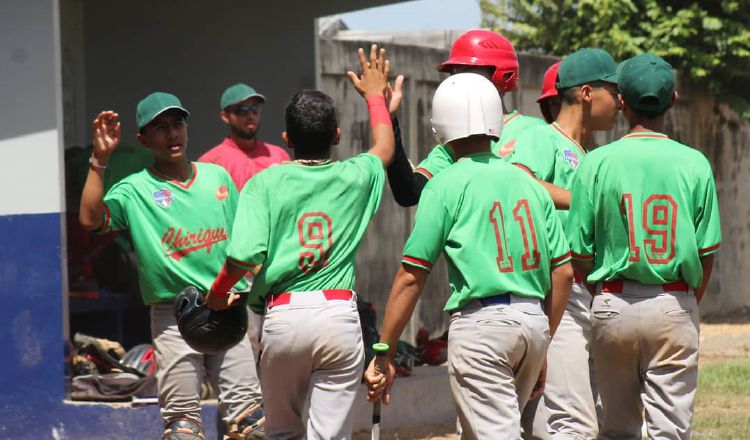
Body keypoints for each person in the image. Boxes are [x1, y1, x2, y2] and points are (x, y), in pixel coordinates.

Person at [205, 45, 400, 439]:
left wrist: (216, 294)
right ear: (338, 136)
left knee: (281, 432)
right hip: (338, 316)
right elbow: (385, 148)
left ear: (286, 138)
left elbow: (243, 256)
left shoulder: (265, 181)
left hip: (284, 317)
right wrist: (376, 97)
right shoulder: (354, 175)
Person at [364, 72, 573, 439]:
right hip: (533, 322)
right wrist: (544, 340)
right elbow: (563, 272)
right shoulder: (529, 183)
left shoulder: (444, 184)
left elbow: (412, 275)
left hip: (482, 328)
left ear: (440, 126)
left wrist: (385, 349)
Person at [78, 92, 264, 440]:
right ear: (143, 139)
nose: (172, 134)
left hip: (229, 304)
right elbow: (90, 219)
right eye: (160, 128)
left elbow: (246, 242)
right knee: (182, 428)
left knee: (252, 421)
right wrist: (99, 160)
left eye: (177, 124)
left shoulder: (217, 178)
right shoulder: (135, 189)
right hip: (173, 313)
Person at [567, 53, 721, 440]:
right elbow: (706, 253)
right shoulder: (695, 163)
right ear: (673, 100)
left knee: (617, 429)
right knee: (668, 431)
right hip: (673, 301)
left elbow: (580, 253)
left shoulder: (596, 162)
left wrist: (601, 294)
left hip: (611, 304)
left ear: (621, 102)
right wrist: (684, 299)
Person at [510, 48, 620, 440]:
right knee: (574, 422)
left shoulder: (589, 153)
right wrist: (582, 201)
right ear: (588, 93)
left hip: (585, 292)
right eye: (614, 90)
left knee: (563, 418)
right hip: (553, 292)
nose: (620, 101)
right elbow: (518, 183)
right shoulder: (544, 138)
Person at [387, 29, 546, 207]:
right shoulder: (454, 140)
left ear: (502, 75)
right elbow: (409, 193)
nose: (457, 81)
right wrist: (389, 120)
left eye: (467, 72)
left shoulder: (535, 131)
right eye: (454, 74)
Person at [199, 83, 290, 191]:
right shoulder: (211, 163)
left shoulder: (279, 156)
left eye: (255, 109)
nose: (250, 115)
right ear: (225, 116)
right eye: (242, 110)